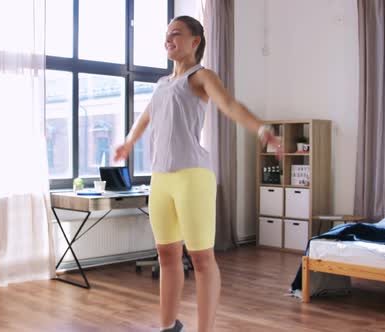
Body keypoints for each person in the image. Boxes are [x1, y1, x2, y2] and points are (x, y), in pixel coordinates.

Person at [114, 15, 278, 332]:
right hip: (160, 179)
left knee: (201, 260)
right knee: (166, 256)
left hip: (193, 177)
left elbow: (229, 105)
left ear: (195, 41)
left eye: (176, 34)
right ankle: (168, 326)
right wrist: (128, 143)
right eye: (166, 35)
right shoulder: (163, 84)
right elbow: (145, 118)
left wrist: (262, 130)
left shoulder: (200, 77)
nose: (168, 39)